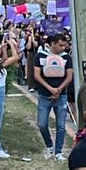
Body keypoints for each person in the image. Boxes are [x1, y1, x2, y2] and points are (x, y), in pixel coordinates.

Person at [32, 32, 74, 160]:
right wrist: (50, 89)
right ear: (52, 44)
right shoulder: (40, 56)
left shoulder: (67, 58)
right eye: (60, 45)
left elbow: (69, 76)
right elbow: (37, 75)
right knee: (42, 123)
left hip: (61, 96)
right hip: (44, 95)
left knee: (61, 125)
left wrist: (59, 90)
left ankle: (58, 151)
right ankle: (49, 145)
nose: (63, 48)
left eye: (65, 45)